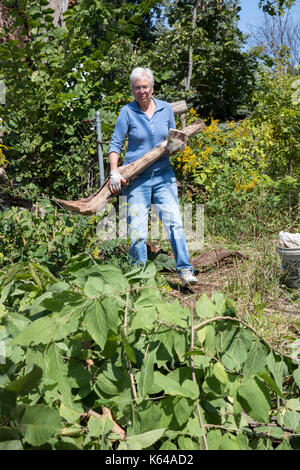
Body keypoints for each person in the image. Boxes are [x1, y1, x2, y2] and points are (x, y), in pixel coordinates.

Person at [108, 67, 197, 287]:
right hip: (136, 178)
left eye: (145, 86)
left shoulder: (166, 109)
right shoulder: (126, 112)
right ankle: (140, 278)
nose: (142, 91)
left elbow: (175, 141)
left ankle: (185, 271)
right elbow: (115, 144)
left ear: (152, 87)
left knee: (174, 222)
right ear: (132, 89)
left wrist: (178, 144)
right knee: (137, 229)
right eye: (137, 87)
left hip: (163, 176)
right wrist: (114, 171)